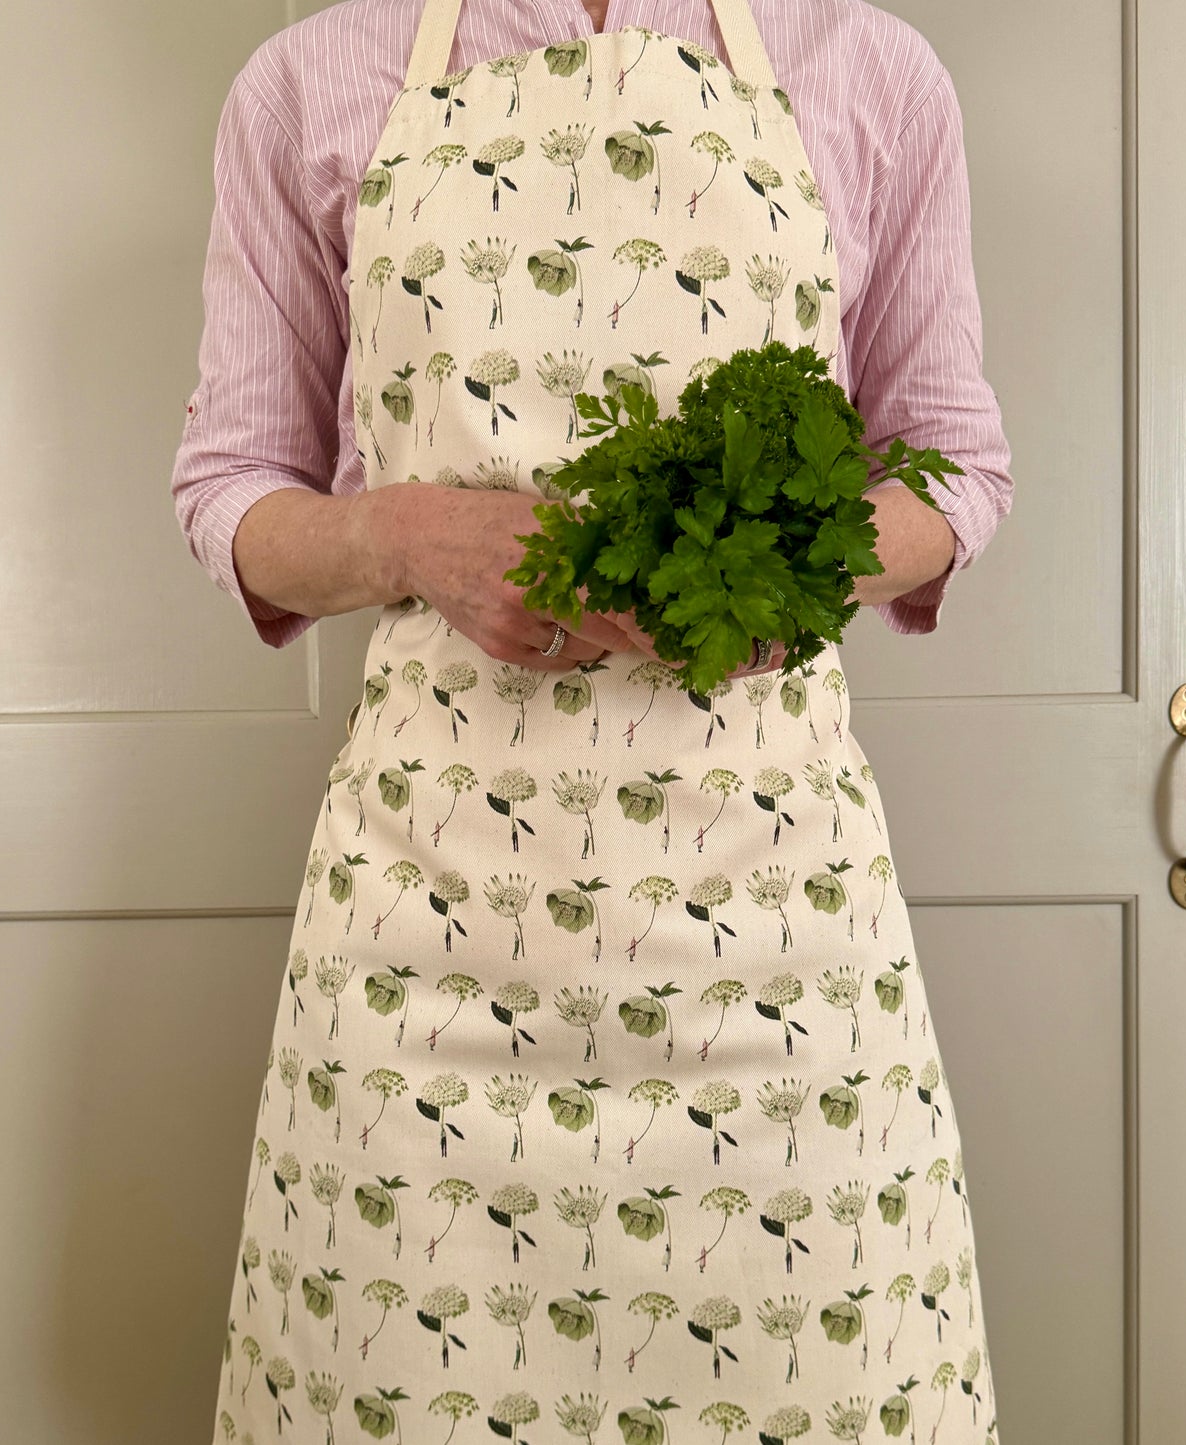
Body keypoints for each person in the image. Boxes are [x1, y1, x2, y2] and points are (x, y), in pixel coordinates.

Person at [173, 3, 1012, 1442]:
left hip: (771, 947)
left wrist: (782, 556)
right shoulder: (309, 80)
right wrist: (404, 538)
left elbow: (954, 472)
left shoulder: (869, 71)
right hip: (426, 958)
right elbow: (231, 491)